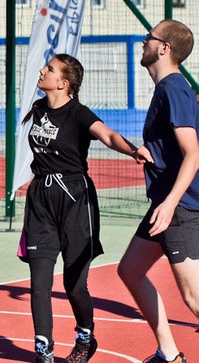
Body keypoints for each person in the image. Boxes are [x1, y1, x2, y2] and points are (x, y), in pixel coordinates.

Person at [19, 53, 140, 363]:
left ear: (63, 83)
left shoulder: (79, 114)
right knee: (40, 282)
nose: (42, 70)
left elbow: (108, 135)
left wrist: (133, 151)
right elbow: (44, 155)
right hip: (41, 202)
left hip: (75, 200)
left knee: (74, 285)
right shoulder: (38, 110)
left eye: (49, 68)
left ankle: (85, 336)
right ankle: (43, 351)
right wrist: (34, 180)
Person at [117, 20, 199, 363]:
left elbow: (193, 153)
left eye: (149, 38)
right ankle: (169, 353)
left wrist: (169, 204)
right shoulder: (166, 88)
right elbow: (176, 147)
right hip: (165, 202)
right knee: (130, 271)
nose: (143, 42)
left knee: (194, 297)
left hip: (178, 208)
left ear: (164, 48)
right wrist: (150, 152)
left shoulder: (173, 88)